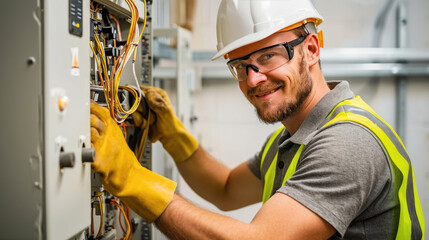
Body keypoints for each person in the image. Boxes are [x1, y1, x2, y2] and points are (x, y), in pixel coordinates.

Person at [90, 0, 425, 239]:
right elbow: (224, 189)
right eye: (240, 65)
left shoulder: (345, 143)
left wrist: (131, 178)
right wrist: (174, 137)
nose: (253, 79)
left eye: (268, 56)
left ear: (311, 49)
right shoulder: (294, 138)